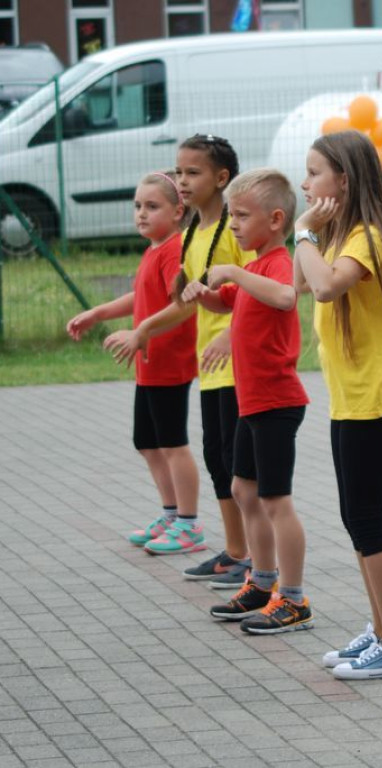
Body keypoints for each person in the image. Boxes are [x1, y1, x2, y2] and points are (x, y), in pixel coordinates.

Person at [293, 131, 382, 678]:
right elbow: (297, 286)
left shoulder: (366, 238)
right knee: (356, 518)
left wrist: (302, 231)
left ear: (343, 181)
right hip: (350, 398)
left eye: (315, 173)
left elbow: (324, 289)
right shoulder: (339, 236)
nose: (306, 183)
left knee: (369, 520)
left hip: (373, 397)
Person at [109, 136, 253, 578]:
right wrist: (131, 320)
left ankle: (253, 562)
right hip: (210, 369)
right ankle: (234, 551)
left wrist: (148, 329)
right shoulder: (193, 233)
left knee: (238, 467)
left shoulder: (235, 230)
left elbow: (259, 287)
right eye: (180, 171)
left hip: (236, 365)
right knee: (217, 460)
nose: (182, 180)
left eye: (193, 173)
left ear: (221, 178)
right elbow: (186, 298)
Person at [183, 168, 311, 634]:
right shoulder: (254, 266)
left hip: (277, 401)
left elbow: (284, 297)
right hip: (251, 400)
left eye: (241, 215)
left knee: (276, 499)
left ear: (276, 219)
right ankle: (262, 582)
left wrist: (232, 271)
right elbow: (228, 302)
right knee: (244, 490)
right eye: (231, 215)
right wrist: (205, 294)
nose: (232, 224)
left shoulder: (277, 262)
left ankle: (294, 599)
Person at [66, 172, 200, 552]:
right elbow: (139, 296)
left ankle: (189, 524)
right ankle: (171, 514)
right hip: (149, 365)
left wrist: (142, 332)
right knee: (147, 441)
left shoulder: (174, 250)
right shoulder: (154, 249)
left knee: (173, 444)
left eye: (152, 206)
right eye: (138, 206)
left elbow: (182, 305)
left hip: (168, 361)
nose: (142, 213)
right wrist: (97, 313)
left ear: (178, 212)